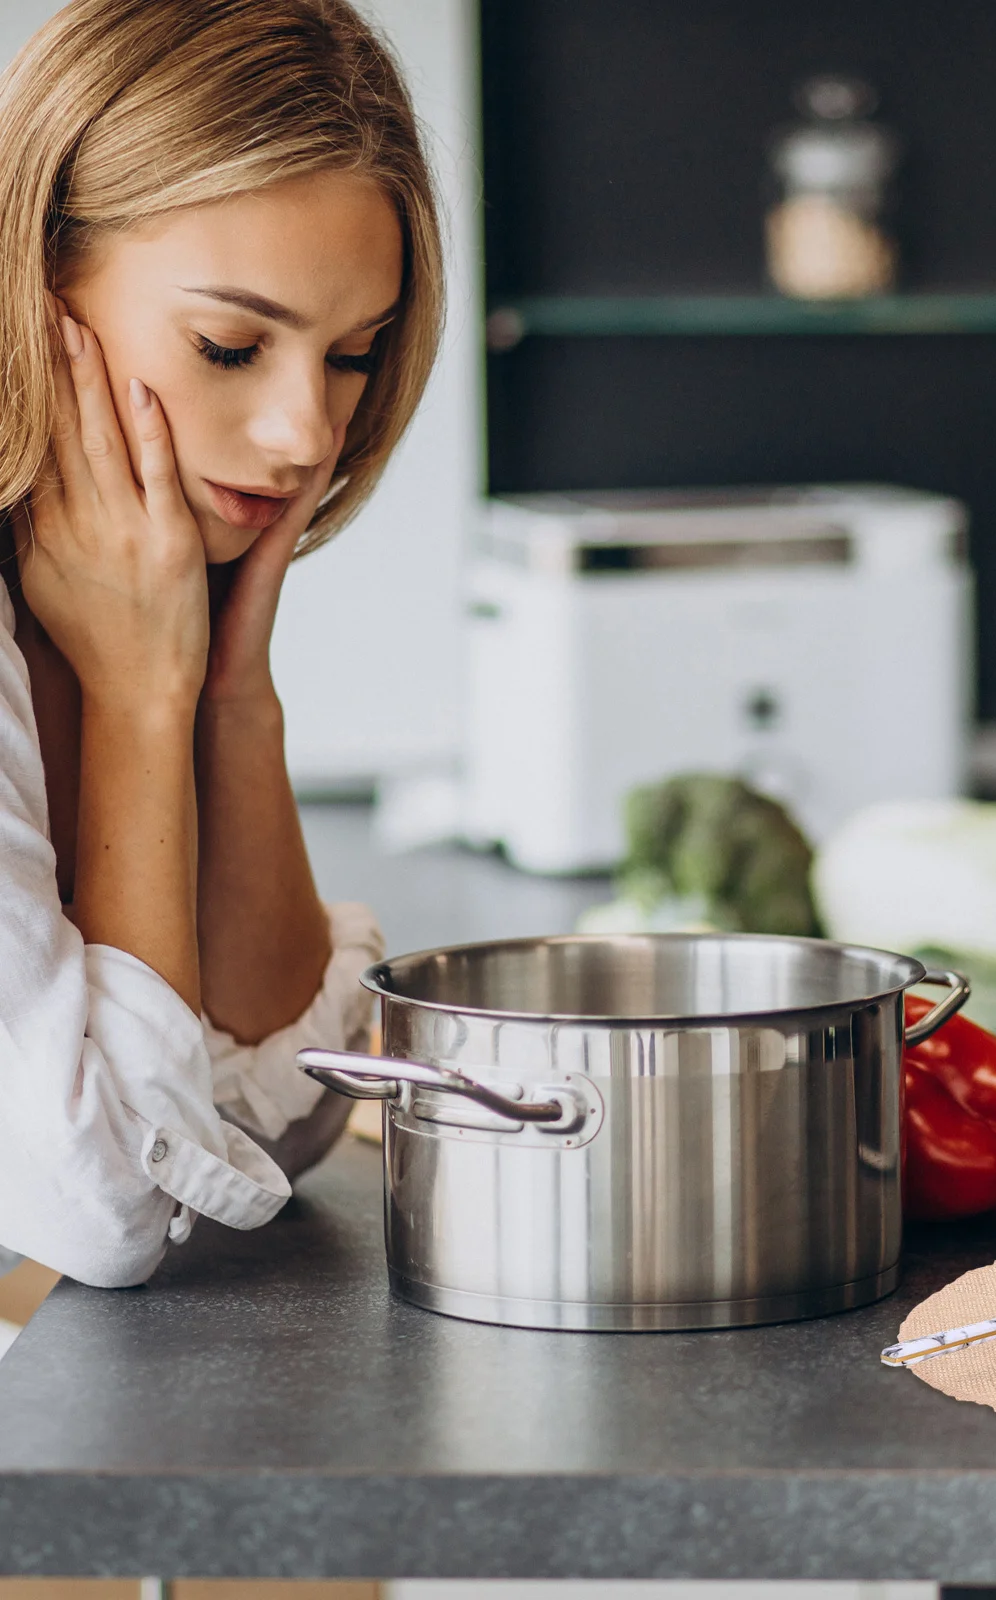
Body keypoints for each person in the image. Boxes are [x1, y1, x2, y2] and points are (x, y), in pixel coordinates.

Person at [0, 0, 443, 1287]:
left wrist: (230, 700)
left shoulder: (133, 596)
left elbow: (273, 1128)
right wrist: (144, 701)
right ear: (34, 286)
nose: (307, 433)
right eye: (230, 346)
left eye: (353, 354)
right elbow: (116, 1215)